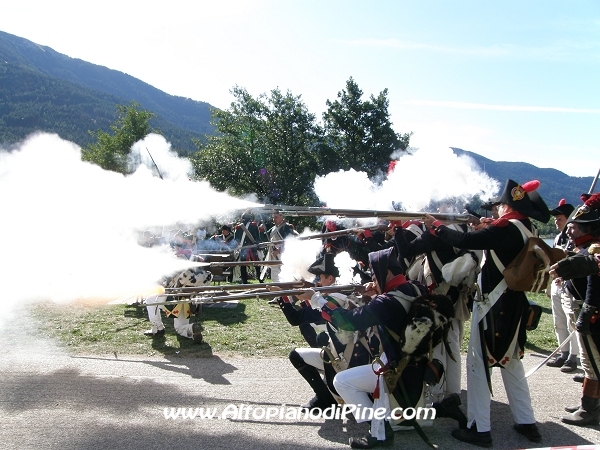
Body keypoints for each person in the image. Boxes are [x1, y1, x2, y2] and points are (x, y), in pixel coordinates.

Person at [423, 179, 550, 447]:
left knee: (478, 368)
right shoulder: (526, 227)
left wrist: (436, 227)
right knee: (512, 364)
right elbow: (493, 236)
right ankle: (527, 422)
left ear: (507, 206)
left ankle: (479, 428)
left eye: (499, 206)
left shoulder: (505, 228)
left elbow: (465, 239)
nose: (497, 211)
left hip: (494, 306)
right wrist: (484, 225)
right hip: (514, 305)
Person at [315, 248, 456, 448]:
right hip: (420, 364)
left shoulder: (387, 301)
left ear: (387, 273)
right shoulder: (416, 288)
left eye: (375, 274)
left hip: (395, 368)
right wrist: (375, 293)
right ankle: (437, 410)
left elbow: (347, 323)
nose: (373, 278)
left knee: (342, 382)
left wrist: (317, 301)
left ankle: (378, 431)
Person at [555, 193, 600, 426]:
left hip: (591, 313)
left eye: (578, 226)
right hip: (582, 309)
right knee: (588, 361)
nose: (571, 229)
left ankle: (589, 409)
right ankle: (589, 402)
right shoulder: (586, 248)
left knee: (591, 362)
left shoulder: (594, 250)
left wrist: (588, 314)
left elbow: (594, 286)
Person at [546, 199, 579, 372]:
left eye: (559, 219)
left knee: (570, 321)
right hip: (556, 283)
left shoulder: (576, 239)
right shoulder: (559, 237)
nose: (556, 222)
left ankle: (573, 357)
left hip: (569, 284)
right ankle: (563, 352)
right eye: (555, 219)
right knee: (558, 321)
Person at [143, 267, 213, 342]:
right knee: (180, 328)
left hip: (173, 299)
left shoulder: (179, 266)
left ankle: (158, 329)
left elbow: (164, 282)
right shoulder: (199, 272)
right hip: (189, 301)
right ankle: (191, 328)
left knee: (150, 300)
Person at [264, 210, 298, 282]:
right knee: (275, 276)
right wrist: (261, 230)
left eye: (276, 217)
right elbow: (264, 237)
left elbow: (290, 241)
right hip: (274, 254)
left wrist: (279, 250)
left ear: (282, 217)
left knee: (286, 274)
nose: (274, 219)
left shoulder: (286, 227)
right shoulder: (273, 228)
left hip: (284, 254)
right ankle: (277, 291)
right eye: (273, 217)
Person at [233, 211, 264, 284]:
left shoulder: (238, 227)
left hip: (243, 247)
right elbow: (257, 237)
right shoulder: (253, 225)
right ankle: (260, 279)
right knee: (256, 264)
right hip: (252, 247)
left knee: (243, 265)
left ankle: (244, 281)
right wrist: (257, 244)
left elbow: (236, 239)